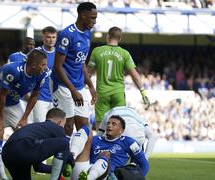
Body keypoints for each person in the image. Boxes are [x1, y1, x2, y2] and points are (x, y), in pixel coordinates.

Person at [0, 49, 48, 180]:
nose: (45, 68)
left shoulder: (41, 75)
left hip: (13, 102)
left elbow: (35, 95)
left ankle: (22, 173)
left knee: (25, 135)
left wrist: (24, 118)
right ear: (33, 65)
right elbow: (1, 95)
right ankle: (2, 177)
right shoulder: (13, 71)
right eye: (43, 65)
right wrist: (0, 119)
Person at [88, 27, 150, 130]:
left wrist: (87, 88)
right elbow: (135, 75)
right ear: (119, 38)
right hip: (118, 93)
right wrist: (143, 92)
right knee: (118, 124)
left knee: (100, 126)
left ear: (107, 36)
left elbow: (88, 72)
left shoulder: (97, 51)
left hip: (102, 93)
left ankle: (100, 144)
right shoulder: (124, 53)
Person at [50, 2, 98, 136]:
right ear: (83, 15)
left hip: (79, 85)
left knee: (84, 128)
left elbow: (81, 62)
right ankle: (62, 157)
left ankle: (81, 157)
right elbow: (57, 66)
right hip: (62, 85)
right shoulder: (67, 34)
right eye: (92, 18)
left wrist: (91, 86)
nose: (95, 21)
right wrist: (73, 91)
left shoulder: (88, 33)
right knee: (68, 126)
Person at [70, 115, 149, 180]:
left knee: (105, 155)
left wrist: (138, 177)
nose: (109, 126)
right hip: (84, 172)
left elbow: (144, 164)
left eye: (113, 124)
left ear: (121, 130)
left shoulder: (128, 142)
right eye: (108, 123)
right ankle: (71, 159)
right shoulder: (96, 139)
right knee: (86, 130)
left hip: (108, 176)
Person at [2, 108, 70, 180]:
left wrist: (58, 168)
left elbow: (38, 168)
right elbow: (67, 150)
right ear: (59, 123)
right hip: (23, 147)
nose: (63, 128)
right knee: (64, 142)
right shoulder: (56, 127)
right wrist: (71, 164)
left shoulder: (37, 131)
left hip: (7, 153)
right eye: (63, 125)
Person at [32, 26, 57, 123]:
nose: (51, 40)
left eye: (53, 37)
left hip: (56, 98)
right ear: (43, 38)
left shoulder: (60, 54)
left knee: (55, 128)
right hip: (39, 98)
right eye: (48, 37)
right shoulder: (35, 53)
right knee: (40, 127)